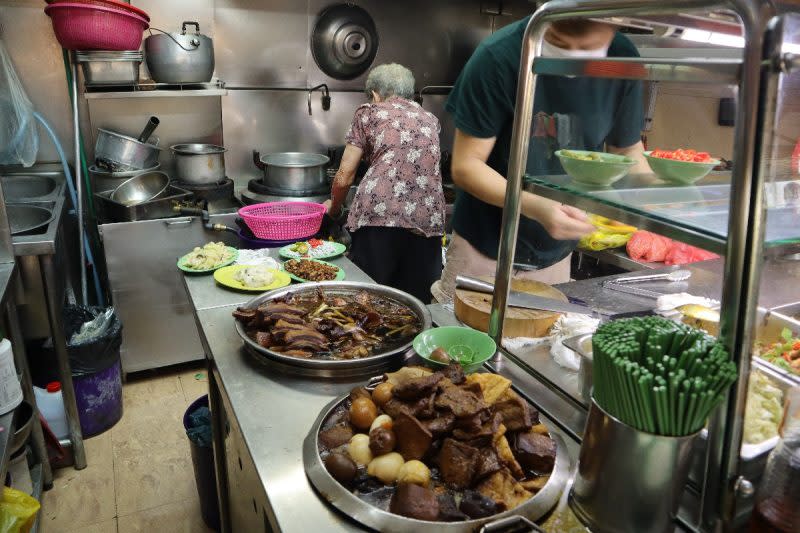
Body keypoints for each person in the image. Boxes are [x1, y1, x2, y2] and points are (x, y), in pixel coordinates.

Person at [432, 17, 647, 302]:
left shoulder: (624, 58)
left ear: (614, 24)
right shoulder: (499, 56)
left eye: (587, 46)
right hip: (484, 250)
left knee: (538, 342)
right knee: (463, 341)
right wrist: (537, 207)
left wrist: (665, 203)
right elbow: (466, 166)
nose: (574, 52)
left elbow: (628, 152)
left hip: (556, 255)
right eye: (561, 42)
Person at [326, 63, 446, 302]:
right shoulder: (430, 119)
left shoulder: (369, 112)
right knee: (414, 305)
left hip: (379, 215)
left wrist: (335, 209)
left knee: (367, 302)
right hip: (428, 222)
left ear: (375, 94)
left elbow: (345, 175)